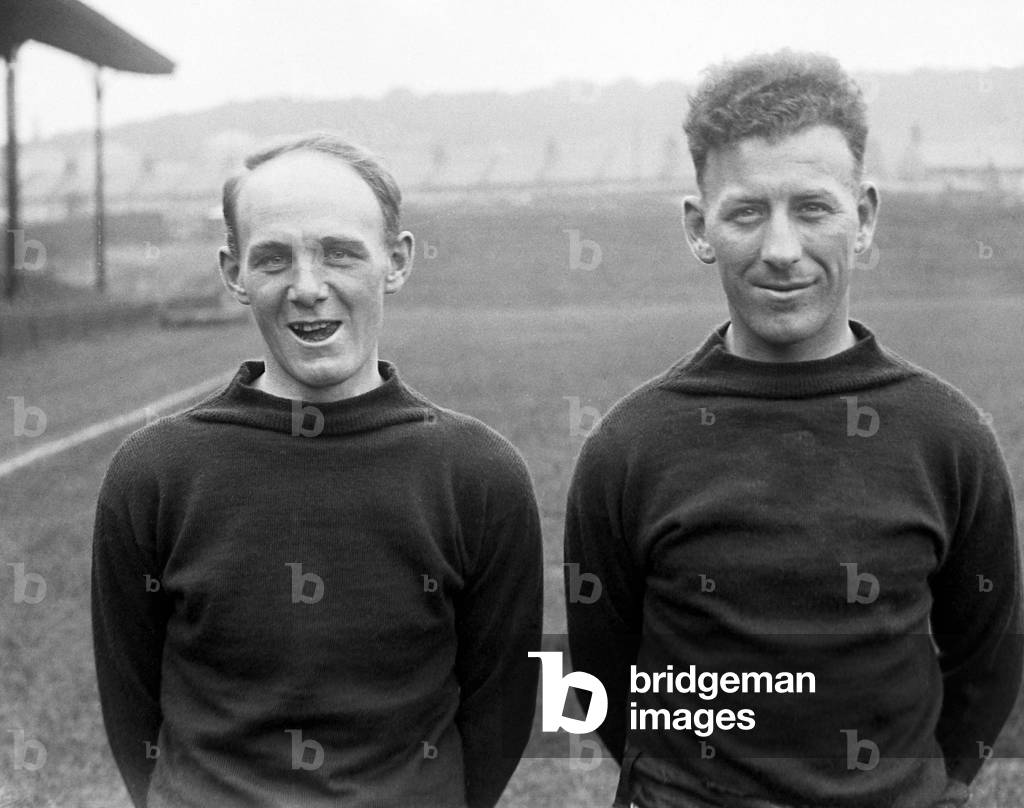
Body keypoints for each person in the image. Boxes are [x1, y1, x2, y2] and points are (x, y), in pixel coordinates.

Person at [564, 50, 1022, 808]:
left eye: (813, 209)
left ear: (864, 218)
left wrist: (929, 790)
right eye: (747, 212)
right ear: (699, 227)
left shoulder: (948, 437)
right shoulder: (629, 446)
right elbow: (601, 675)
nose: (781, 251)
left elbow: (990, 659)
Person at [92, 132, 543, 808]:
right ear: (234, 273)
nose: (307, 288)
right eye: (274, 258)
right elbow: (132, 711)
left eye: (339, 252)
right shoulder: (153, 474)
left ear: (397, 261)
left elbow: (501, 709)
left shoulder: (479, 475)